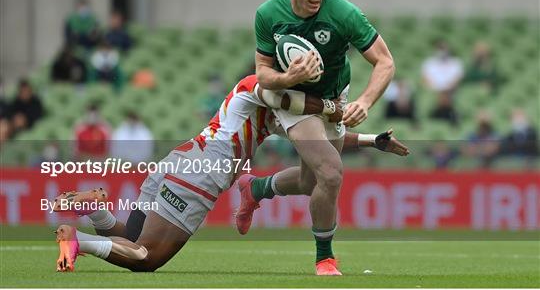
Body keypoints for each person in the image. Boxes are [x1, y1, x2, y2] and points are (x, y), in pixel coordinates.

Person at [53, 75, 409, 273]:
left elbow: (321, 140)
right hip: (206, 170)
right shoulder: (260, 87)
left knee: (130, 237)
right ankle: (77, 242)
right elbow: (284, 97)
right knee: (146, 258)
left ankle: (95, 209)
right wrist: (334, 105)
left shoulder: (278, 108)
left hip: (182, 159)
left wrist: (371, 140)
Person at [246, 0, 395, 275]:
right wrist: (289, 78)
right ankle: (324, 258)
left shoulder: (343, 13)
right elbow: (263, 74)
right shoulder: (268, 14)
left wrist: (365, 102)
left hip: (334, 98)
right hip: (294, 99)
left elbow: (385, 61)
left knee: (310, 181)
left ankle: (256, 188)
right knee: (331, 173)